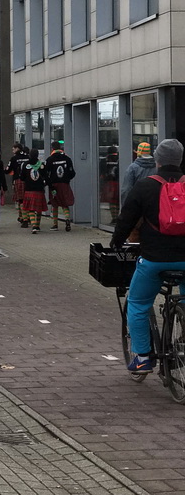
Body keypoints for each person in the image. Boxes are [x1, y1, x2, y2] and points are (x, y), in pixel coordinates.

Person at [111, 138, 185, 374]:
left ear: (158, 160)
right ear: (180, 159)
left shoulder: (144, 186)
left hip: (154, 259)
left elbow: (126, 219)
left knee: (138, 304)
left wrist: (117, 242)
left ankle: (143, 358)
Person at [44, 140, 76, 231]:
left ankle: (55, 224)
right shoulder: (67, 158)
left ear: (52, 148)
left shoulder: (50, 159)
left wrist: (49, 184)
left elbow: (46, 174)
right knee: (65, 203)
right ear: (60, 148)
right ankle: (67, 219)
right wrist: (67, 179)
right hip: (65, 184)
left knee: (55, 204)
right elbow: (72, 173)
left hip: (54, 185)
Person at [19, 149, 48, 233]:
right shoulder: (41, 165)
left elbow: (22, 177)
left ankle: (34, 225)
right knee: (38, 209)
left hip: (29, 189)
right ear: (38, 155)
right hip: (39, 189)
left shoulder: (25, 164)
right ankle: (37, 225)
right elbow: (46, 176)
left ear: (30, 155)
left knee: (31, 209)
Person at [121, 141, 156, 205]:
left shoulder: (133, 167)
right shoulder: (157, 167)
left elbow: (126, 189)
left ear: (139, 151)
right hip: (153, 204)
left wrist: (125, 207)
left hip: (137, 204)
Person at [7, 143, 31, 227]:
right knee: (26, 199)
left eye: (13, 149)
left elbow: (8, 170)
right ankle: (25, 216)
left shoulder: (14, 158)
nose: (12, 150)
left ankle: (25, 219)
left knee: (20, 200)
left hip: (18, 180)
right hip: (28, 181)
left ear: (17, 148)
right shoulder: (27, 157)